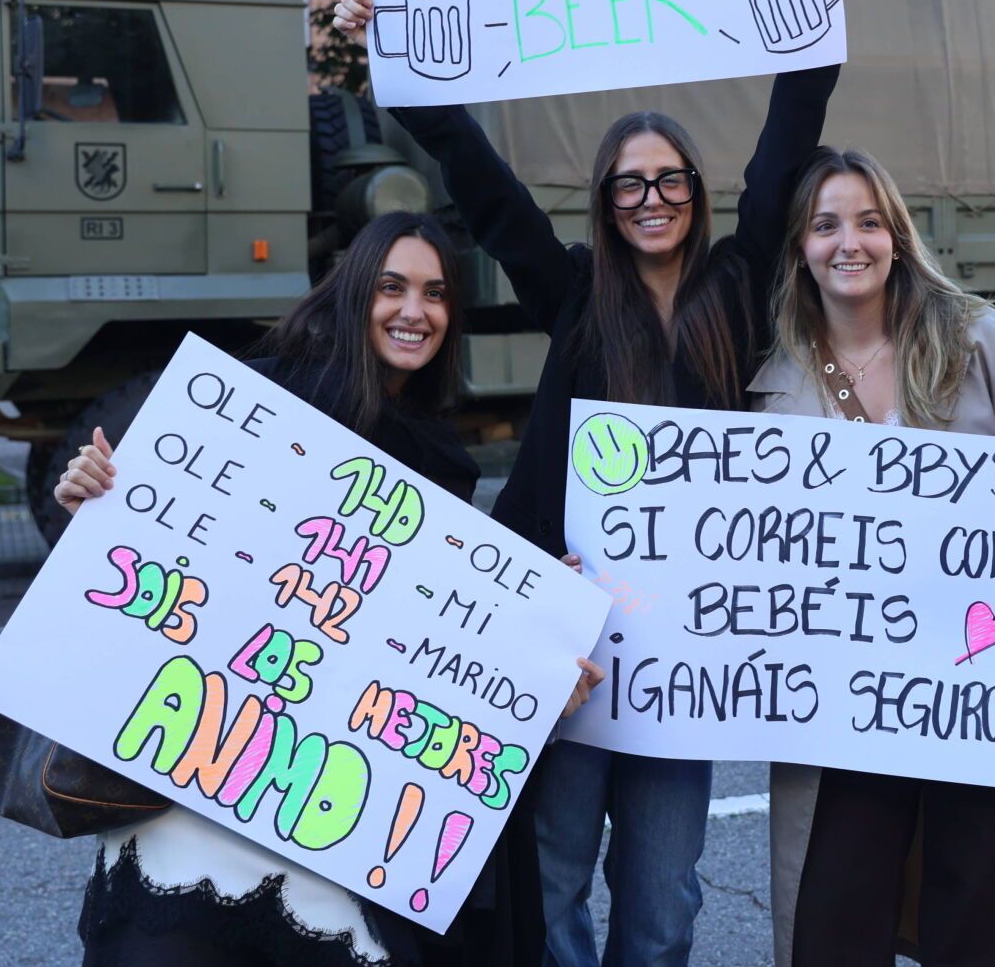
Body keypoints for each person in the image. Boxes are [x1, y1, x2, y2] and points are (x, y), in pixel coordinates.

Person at [333, 0, 860, 967]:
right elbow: (481, 185)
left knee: (663, 899)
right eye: (628, 184)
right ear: (606, 200)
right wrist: (386, 46)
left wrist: (814, 12)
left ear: (696, 195)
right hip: (558, 640)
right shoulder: (573, 293)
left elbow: (787, 139)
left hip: (682, 654)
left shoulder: (739, 286)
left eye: (669, 181)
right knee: (555, 875)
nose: (651, 199)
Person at [54, 212, 605, 967]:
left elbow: (426, 635)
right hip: (202, 789)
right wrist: (94, 495)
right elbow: (160, 557)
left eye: (437, 293)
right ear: (354, 293)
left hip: (324, 807)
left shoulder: (438, 457)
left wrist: (538, 662)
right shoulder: (254, 404)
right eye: (393, 287)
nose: (416, 310)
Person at [751, 149, 995, 967]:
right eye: (826, 225)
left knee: (991, 927)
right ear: (800, 248)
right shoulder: (773, 386)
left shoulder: (983, 341)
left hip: (991, 700)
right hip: (849, 714)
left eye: (867, 221)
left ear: (898, 236)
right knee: (836, 920)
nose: (847, 242)